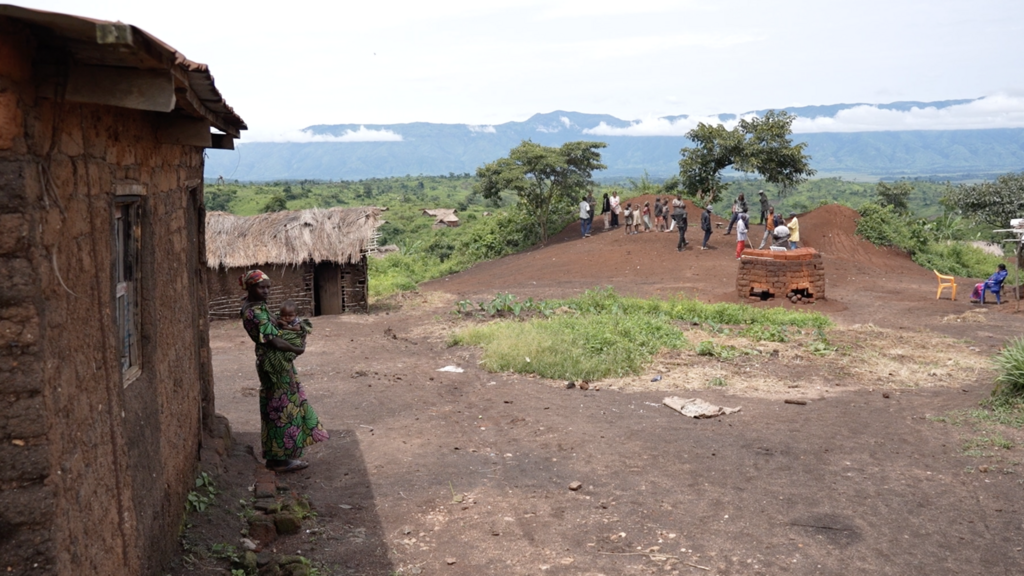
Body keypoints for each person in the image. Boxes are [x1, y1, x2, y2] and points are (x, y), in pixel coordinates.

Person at [240, 270, 328, 473]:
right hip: (273, 363)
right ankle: (279, 460)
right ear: (250, 287)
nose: (266, 291)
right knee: (281, 409)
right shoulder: (254, 312)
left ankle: (278, 457)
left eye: (268, 287)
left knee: (278, 407)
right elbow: (276, 342)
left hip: (271, 361)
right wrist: (298, 348)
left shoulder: (255, 306)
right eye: (262, 287)